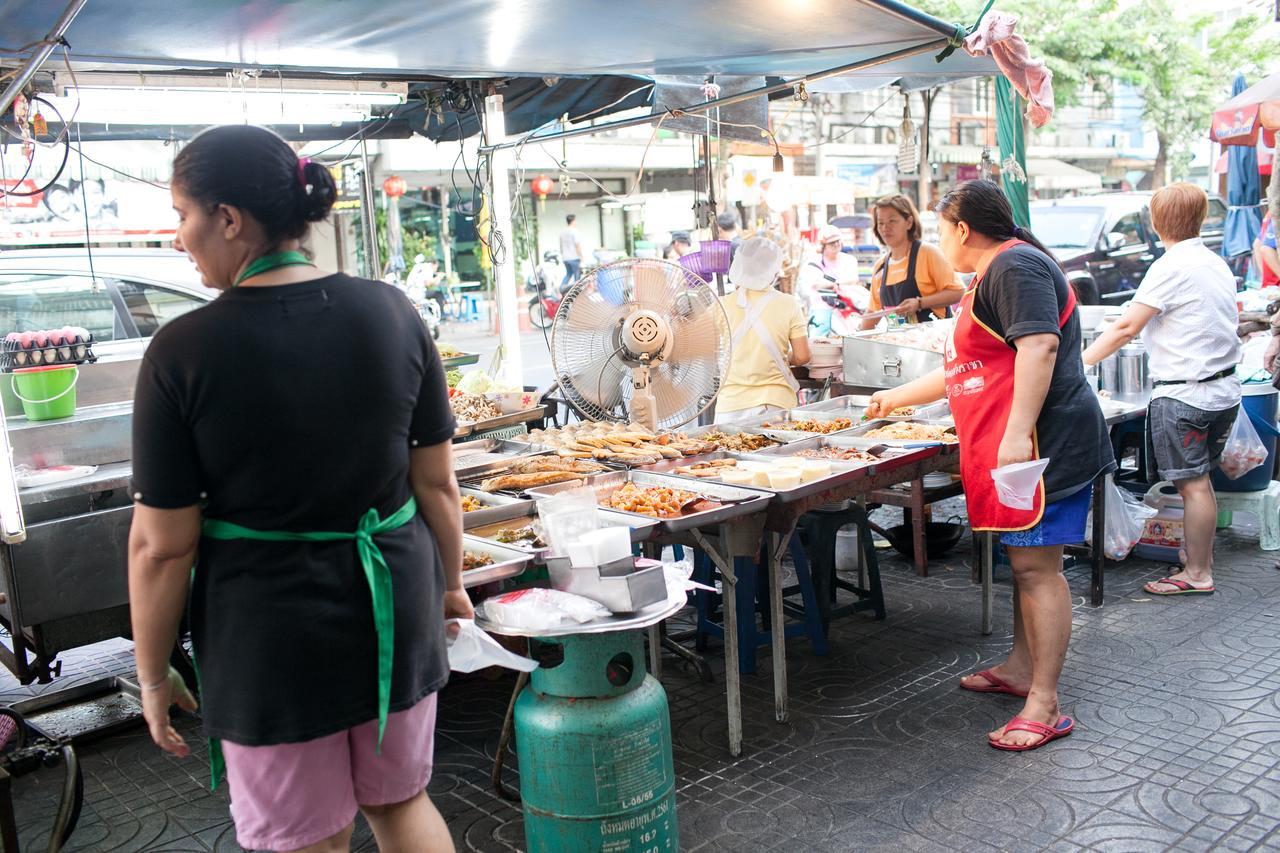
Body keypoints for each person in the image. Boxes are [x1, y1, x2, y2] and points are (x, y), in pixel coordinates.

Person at [128, 125, 467, 853]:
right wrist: (451, 587)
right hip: (394, 604)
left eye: (184, 213)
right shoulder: (393, 312)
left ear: (228, 218)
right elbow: (437, 484)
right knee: (403, 804)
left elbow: (162, 548)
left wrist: (152, 674)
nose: (180, 235)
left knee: (303, 839)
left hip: (272, 635)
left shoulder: (182, 351)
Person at [866, 180, 1114, 751]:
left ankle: (1045, 704)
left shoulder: (1015, 267)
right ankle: (1022, 669)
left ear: (961, 229)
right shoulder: (993, 273)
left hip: (1042, 443)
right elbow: (964, 369)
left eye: (941, 225)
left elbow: (1039, 348)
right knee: (1023, 564)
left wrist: (1014, 433)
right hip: (1020, 445)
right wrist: (896, 398)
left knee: (1037, 570)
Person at [1084, 183, 1241, 597]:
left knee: (1193, 486)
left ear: (1155, 223)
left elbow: (1126, 326)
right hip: (1223, 390)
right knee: (1201, 483)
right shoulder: (1213, 261)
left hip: (1186, 396)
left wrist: (1079, 362)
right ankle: (1196, 559)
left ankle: (1198, 573)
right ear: (1201, 218)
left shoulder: (1170, 266)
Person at [714, 237, 810, 424]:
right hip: (775, 405)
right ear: (773, 270)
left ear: (738, 266)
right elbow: (803, 356)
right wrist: (786, 357)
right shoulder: (788, 304)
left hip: (730, 407)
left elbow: (700, 348)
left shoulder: (721, 305)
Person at [861, 194, 963, 329]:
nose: (885, 228)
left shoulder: (928, 253)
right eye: (881, 223)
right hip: (898, 344)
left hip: (932, 341)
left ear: (909, 222)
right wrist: (852, 338)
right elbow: (873, 312)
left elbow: (957, 292)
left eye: (892, 221)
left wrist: (920, 303)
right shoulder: (880, 267)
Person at [797, 224, 865, 335]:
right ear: (824, 245)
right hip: (821, 306)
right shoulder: (813, 263)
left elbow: (853, 279)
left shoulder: (849, 260)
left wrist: (832, 283)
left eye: (838, 241)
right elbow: (813, 285)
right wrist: (837, 283)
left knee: (851, 336)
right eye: (832, 242)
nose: (836, 244)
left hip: (847, 305)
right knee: (817, 338)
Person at [1254, 212, 1279, 289]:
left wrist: (1265, 276)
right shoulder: (1276, 212)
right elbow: (1266, 249)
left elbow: (1257, 244)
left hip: (1271, 285)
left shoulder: (1270, 213)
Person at [559, 213, 585, 286]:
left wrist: (563, 255)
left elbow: (561, 247)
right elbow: (577, 245)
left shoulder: (562, 232)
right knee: (577, 276)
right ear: (573, 221)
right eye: (575, 221)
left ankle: (562, 289)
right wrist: (581, 256)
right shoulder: (574, 231)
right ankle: (576, 294)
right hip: (574, 257)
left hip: (565, 258)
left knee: (569, 274)